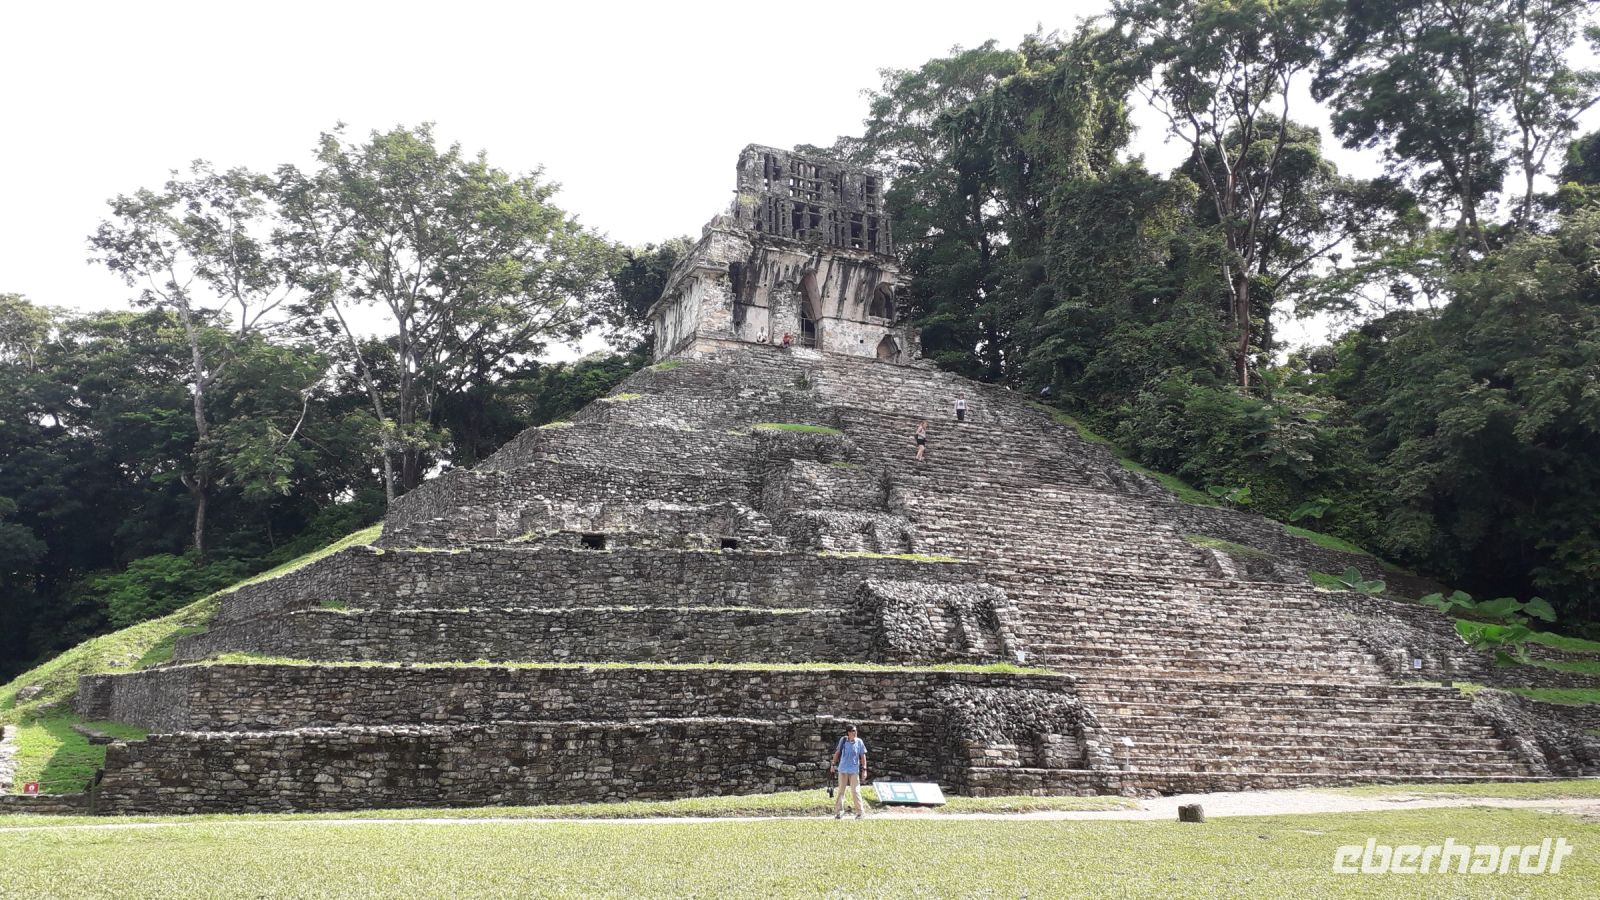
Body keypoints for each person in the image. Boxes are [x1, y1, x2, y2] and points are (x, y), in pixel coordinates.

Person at [831, 724, 868, 819]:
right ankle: (839, 812)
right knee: (841, 791)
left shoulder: (859, 742)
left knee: (856, 791)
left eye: (855, 731)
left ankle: (860, 813)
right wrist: (833, 765)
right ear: (848, 733)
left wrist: (864, 769)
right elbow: (837, 753)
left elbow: (863, 756)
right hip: (843, 769)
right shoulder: (843, 740)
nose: (855, 732)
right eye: (853, 731)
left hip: (854, 771)